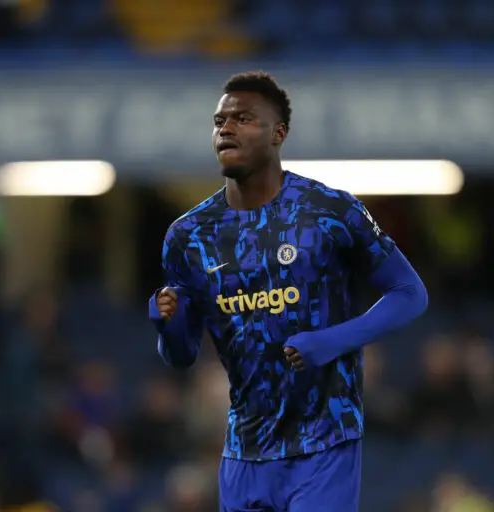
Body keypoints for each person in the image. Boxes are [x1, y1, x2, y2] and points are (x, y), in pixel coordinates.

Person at [148, 71, 428, 512]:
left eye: (243, 119)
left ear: (278, 133)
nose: (226, 128)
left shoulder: (330, 211)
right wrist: (167, 325)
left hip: (324, 440)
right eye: (219, 121)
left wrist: (332, 341)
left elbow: (410, 292)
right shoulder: (188, 236)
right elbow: (181, 355)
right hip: (243, 451)